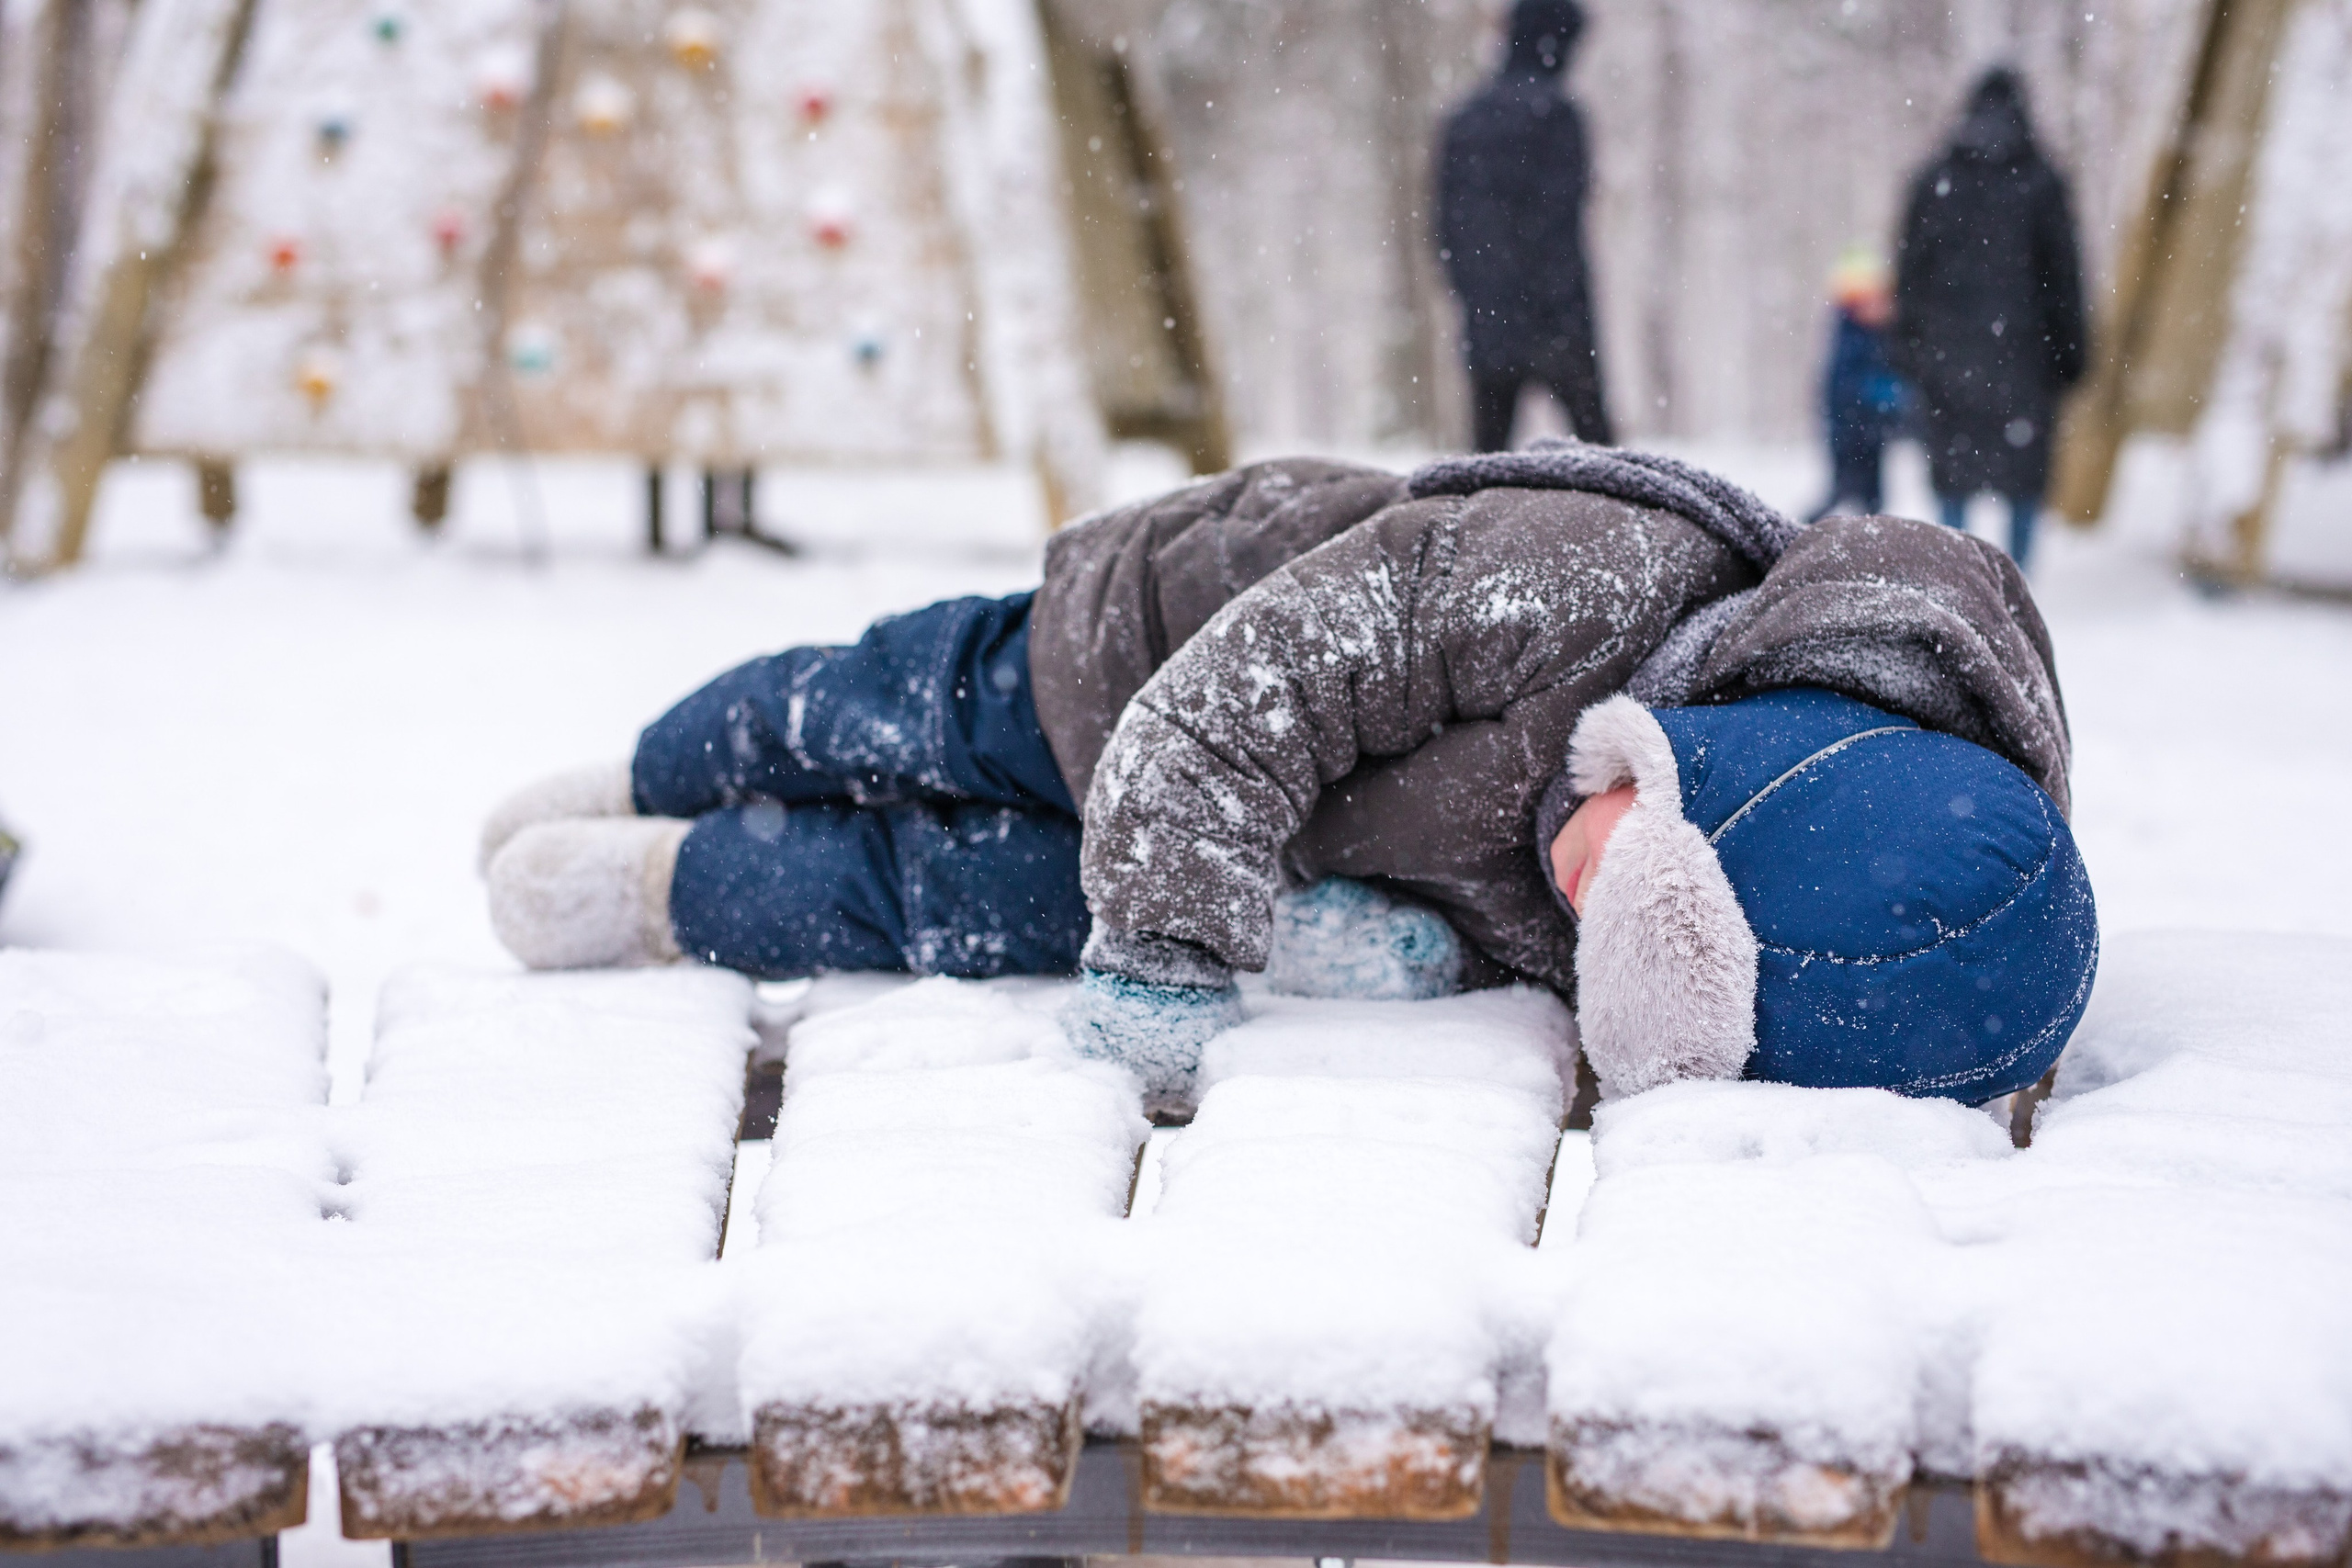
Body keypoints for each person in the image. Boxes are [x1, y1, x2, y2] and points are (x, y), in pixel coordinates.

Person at [481, 444, 2095, 1112]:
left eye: (1596, 941)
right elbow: (1249, 692)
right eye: (1610, 862)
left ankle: (652, 887)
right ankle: (643, 773)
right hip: (1132, 661)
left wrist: (1387, 949)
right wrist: (1174, 952)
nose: (1567, 894)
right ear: (1691, 759)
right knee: (866, 712)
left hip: (1267, 856)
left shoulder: (1807, 889)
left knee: (944, 907)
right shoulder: (1584, 580)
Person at [1893, 66, 2087, 570]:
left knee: (1954, 478)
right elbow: (2065, 277)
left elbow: (1909, 275)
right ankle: (2018, 588)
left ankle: (1958, 580)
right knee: (2022, 482)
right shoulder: (2043, 182)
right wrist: (2072, 356)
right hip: (2024, 361)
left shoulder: (1934, 179)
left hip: (1948, 362)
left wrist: (1908, 352)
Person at [1436, 0, 1612, 451]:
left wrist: (1477, 300)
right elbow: (1561, 220)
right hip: (1560, 320)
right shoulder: (1559, 115)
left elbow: (1444, 232)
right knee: (1607, 465)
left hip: (1491, 319)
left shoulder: (1464, 119)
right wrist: (1562, 316)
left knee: (1484, 470)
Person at [1806, 250, 1908, 522]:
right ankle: (1796, 535)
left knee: (1869, 500)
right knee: (1845, 494)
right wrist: (1888, 394)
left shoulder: (1874, 335)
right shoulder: (1852, 335)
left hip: (1870, 432)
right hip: (1850, 431)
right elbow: (1847, 385)